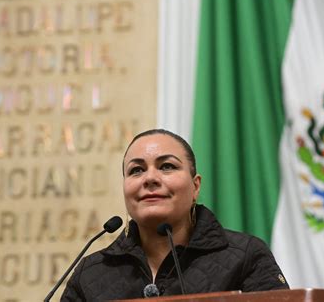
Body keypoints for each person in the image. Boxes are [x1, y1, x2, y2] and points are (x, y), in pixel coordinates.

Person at [61, 129, 289, 301]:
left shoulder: (244, 256)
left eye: (167, 166)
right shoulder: (91, 272)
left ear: (195, 186)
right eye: (136, 170)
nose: (149, 178)